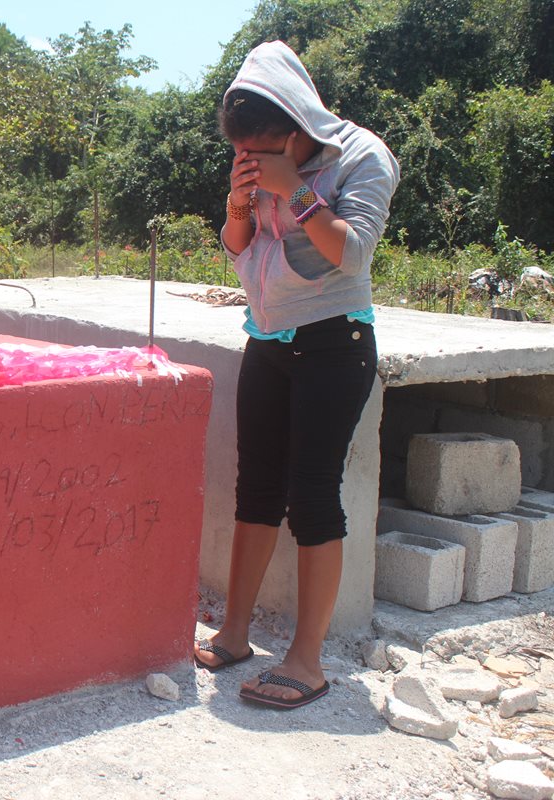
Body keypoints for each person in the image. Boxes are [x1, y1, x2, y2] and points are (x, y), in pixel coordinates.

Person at [192, 41, 399, 709]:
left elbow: (354, 254)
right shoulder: (257, 158)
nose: (253, 157)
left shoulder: (362, 156)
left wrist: (298, 191)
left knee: (311, 495)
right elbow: (239, 246)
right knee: (255, 489)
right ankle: (235, 633)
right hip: (268, 337)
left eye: (262, 148)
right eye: (242, 150)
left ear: (298, 122)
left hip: (335, 341)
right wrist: (238, 202)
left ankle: (307, 661)